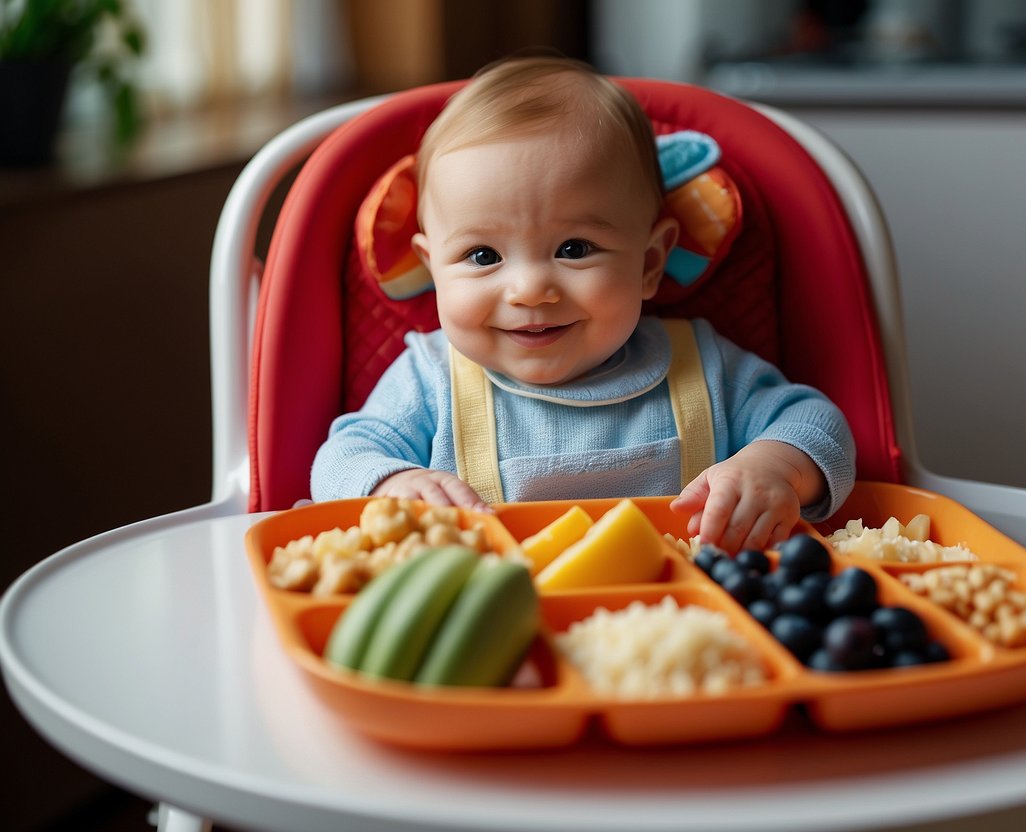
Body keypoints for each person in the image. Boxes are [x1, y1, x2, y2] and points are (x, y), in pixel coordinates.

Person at [310, 55, 855, 553]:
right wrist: (391, 483)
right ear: (433, 269)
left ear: (648, 264)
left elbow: (817, 423)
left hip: (675, 628)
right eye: (482, 255)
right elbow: (340, 458)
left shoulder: (703, 365)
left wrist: (775, 467)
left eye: (574, 249)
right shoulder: (430, 379)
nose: (529, 289)